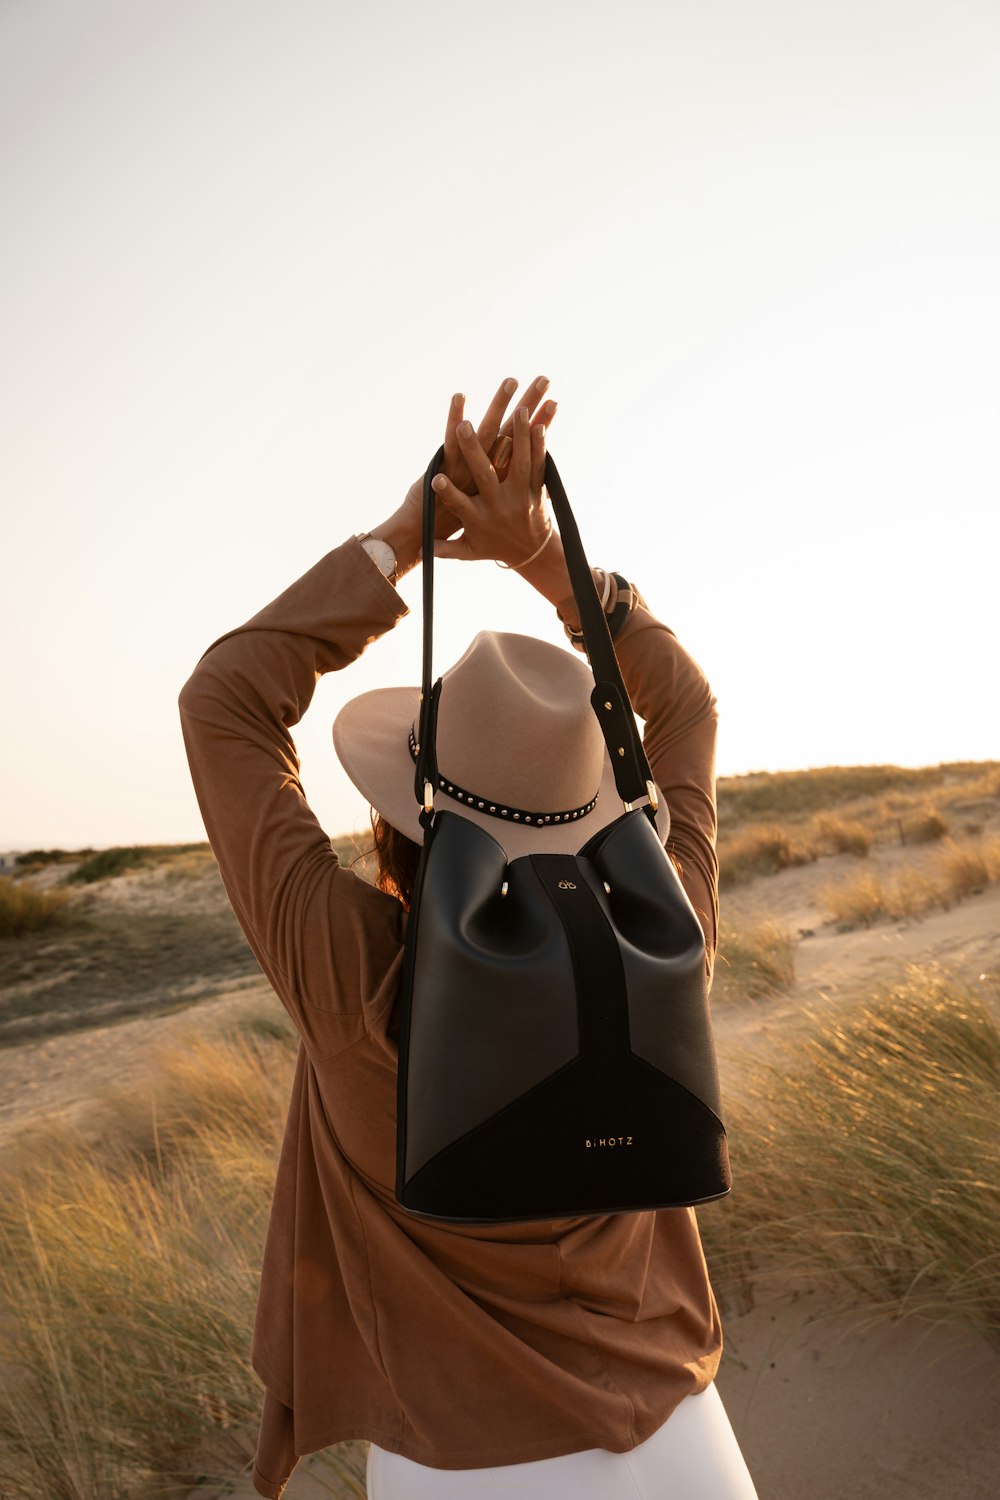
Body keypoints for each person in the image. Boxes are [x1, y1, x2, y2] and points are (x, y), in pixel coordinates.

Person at [177, 373, 758, 1499]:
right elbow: (682, 706)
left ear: (407, 820)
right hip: (684, 1432)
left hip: (465, 1460)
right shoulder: (662, 930)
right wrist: (540, 553)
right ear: (602, 804)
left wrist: (406, 540)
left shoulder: (359, 977)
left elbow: (224, 703)